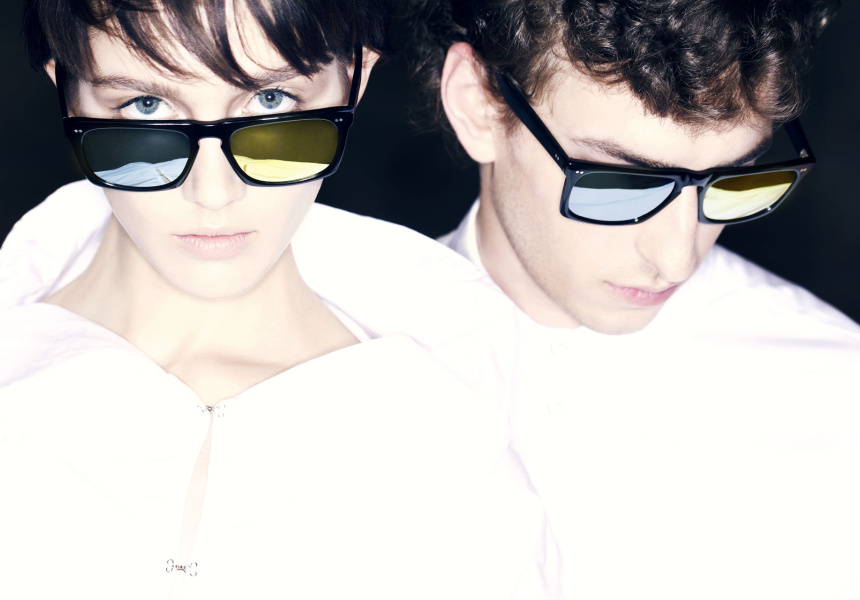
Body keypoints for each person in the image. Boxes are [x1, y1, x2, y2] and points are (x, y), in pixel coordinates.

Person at [0, 1, 561, 598]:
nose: (212, 192)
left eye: (271, 102)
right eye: (146, 106)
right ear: (66, 89)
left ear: (356, 79)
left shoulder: (454, 461)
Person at [403, 0, 860, 597]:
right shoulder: (333, 356)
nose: (676, 258)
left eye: (730, 178)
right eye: (620, 184)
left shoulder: (837, 394)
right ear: (479, 104)